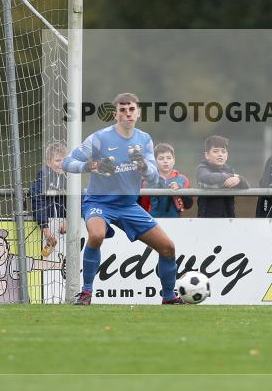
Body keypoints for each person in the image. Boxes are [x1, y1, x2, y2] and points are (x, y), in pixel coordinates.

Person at [62, 93, 185, 305]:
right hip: (99, 203)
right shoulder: (99, 138)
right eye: (122, 110)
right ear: (115, 114)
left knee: (168, 248)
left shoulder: (144, 139)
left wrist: (143, 166)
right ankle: (86, 293)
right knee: (97, 234)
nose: (127, 114)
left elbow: (154, 177)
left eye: (131, 109)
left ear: (138, 112)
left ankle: (168, 297)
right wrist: (91, 166)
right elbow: (67, 162)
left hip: (129, 206)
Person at [0, 229, 65, 304]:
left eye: (0, 245)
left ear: (7, 247)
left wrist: (60, 265)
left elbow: (35, 264)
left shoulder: (14, 261)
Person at [196, 134, 250, 218]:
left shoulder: (229, 170)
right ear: (207, 155)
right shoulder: (202, 168)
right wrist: (230, 176)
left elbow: (246, 186)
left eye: (223, 151)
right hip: (207, 219)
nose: (220, 154)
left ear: (227, 155)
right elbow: (207, 178)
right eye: (215, 151)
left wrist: (239, 179)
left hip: (228, 218)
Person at [29, 141, 67, 258]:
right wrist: (45, 228)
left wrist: (68, 219)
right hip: (48, 227)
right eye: (57, 160)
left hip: (65, 227)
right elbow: (38, 200)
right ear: (48, 163)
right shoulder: (43, 176)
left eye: (64, 160)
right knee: (48, 263)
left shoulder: (70, 176)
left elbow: (77, 200)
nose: (62, 164)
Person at [149, 142, 193, 218]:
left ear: (174, 160)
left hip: (175, 222)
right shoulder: (148, 180)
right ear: (155, 161)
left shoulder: (183, 179)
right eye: (161, 158)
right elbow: (143, 205)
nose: (165, 161)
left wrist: (180, 190)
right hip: (153, 222)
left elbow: (188, 205)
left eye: (169, 158)